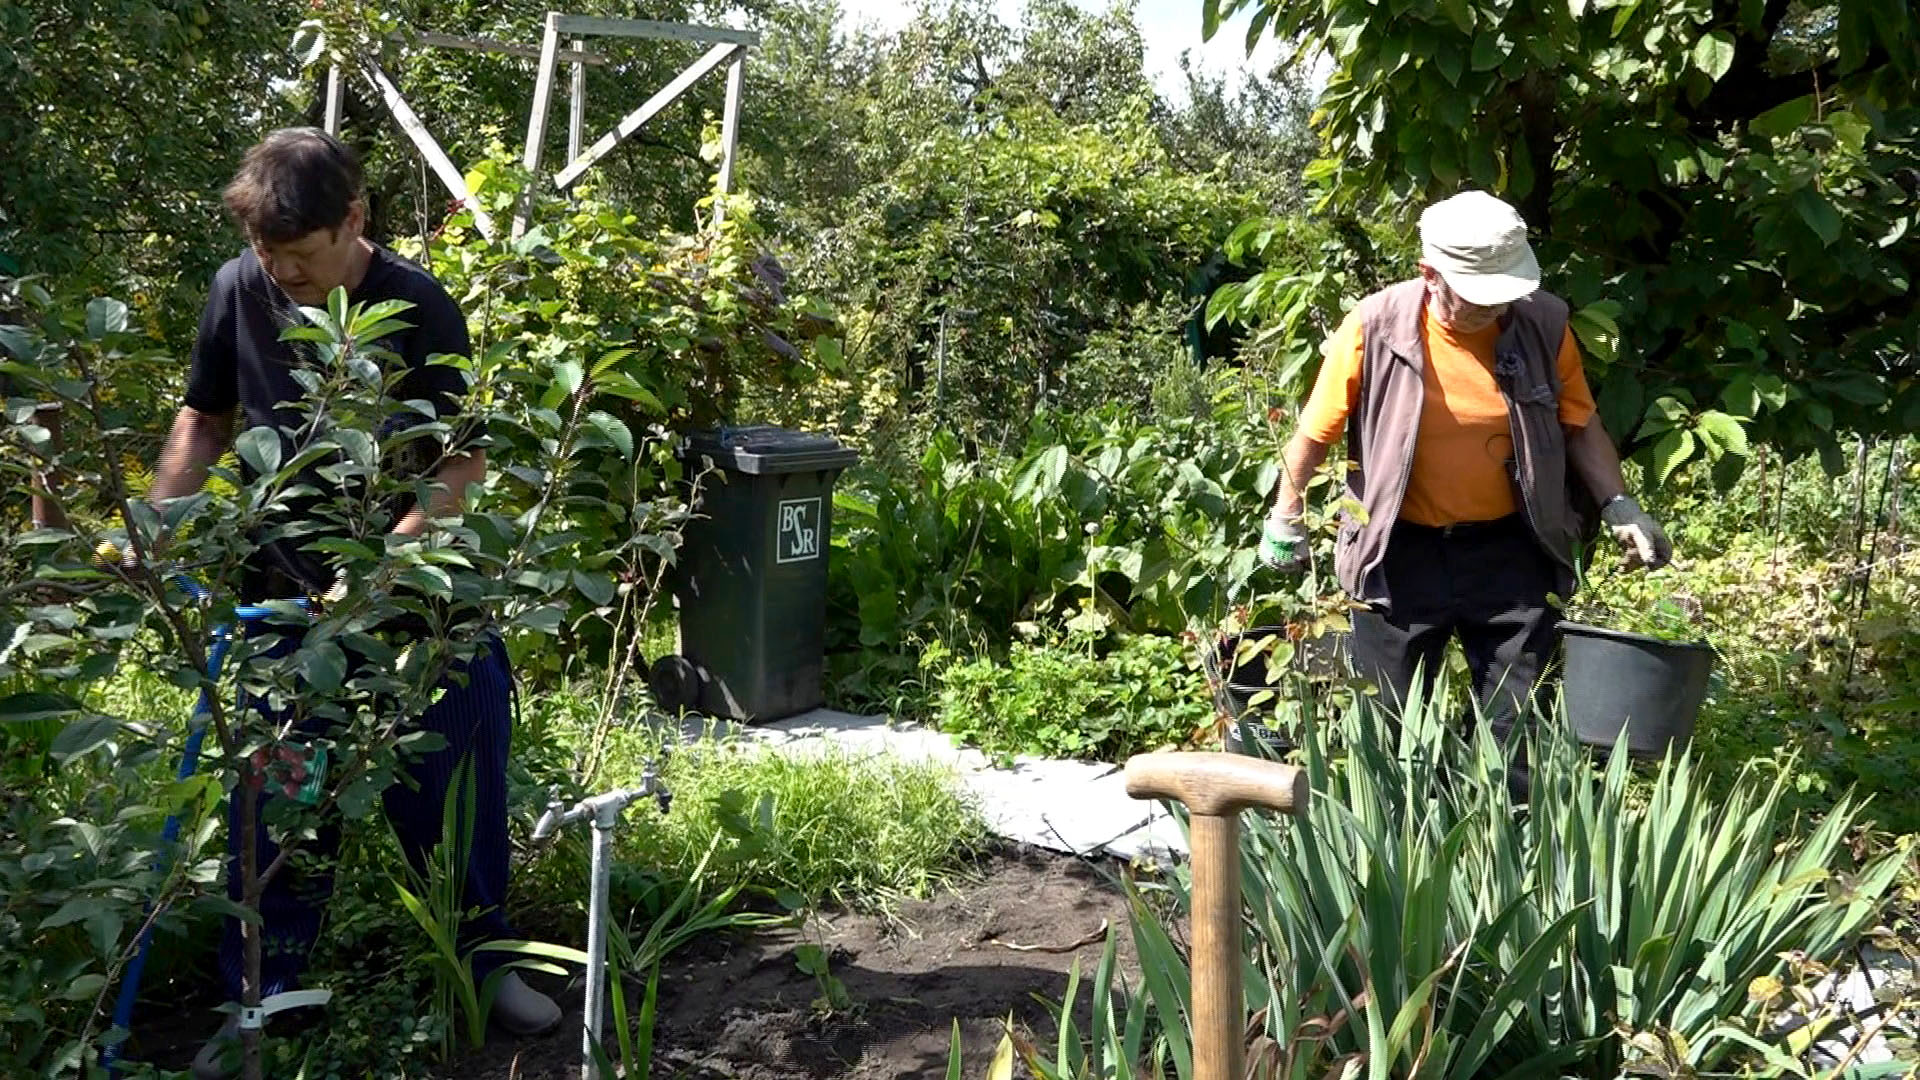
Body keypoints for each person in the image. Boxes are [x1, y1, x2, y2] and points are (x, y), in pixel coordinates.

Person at [132, 128, 561, 1079]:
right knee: (279, 812)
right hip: (281, 611)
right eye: (266, 254)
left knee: (455, 793)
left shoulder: (418, 304)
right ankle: (264, 998)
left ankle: (483, 966)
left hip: (421, 615)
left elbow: (462, 459)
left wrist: (383, 571)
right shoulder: (235, 290)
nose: (281, 274)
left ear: (355, 219)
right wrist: (154, 530)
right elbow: (204, 417)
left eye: (301, 255)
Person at [1259, 190, 1671, 790]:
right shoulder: (1375, 327)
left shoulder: (1544, 325)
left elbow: (1581, 427)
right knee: (1389, 737)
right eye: (1481, 295)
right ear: (1431, 275)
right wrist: (1285, 515)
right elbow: (1313, 434)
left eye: (1507, 292)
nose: (1496, 308)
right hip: (1397, 556)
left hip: (1510, 554)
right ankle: (1398, 866)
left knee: (1518, 738)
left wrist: (1620, 505)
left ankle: (1506, 859)